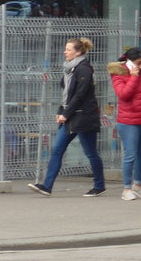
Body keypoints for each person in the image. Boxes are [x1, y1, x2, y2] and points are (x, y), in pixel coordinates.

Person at [29, 37, 106, 197]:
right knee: (57, 149)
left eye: (68, 49)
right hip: (70, 116)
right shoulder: (69, 69)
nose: (65, 52)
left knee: (90, 152)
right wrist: (60, 110)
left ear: (78, 52)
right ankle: (47, 186)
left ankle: (99, 185)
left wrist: (65, 113)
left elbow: (80, 95)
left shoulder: (84, 69)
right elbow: (67, 94)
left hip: (83, 117)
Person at [108, 47, 141, 201]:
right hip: (128, 120)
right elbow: (124, 94)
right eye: (139, 63)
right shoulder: (119, 72)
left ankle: (138, 185)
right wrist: (133, 77)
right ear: (131, 61)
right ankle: (126, 188)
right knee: (130, 155)